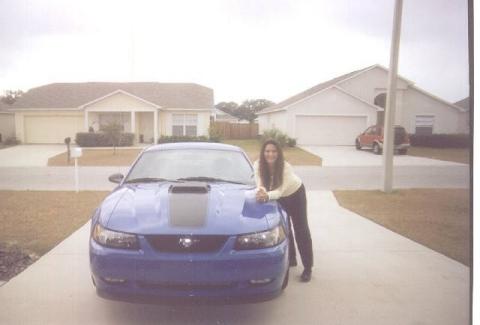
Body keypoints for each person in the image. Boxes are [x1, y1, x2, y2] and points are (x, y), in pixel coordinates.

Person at [253, 139, 313, 282]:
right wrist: (261, 192)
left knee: (301, 229)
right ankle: (291, 259)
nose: (270, 154)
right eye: (267, 151)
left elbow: (279, 191)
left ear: (278, 153)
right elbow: (259, 184)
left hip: (295, 194)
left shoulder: (286, 167)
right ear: (263, 153)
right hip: (276, 196)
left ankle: (308, 268)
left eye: (274, 151)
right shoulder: (257, 165)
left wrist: (266, 195)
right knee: (285, 229)